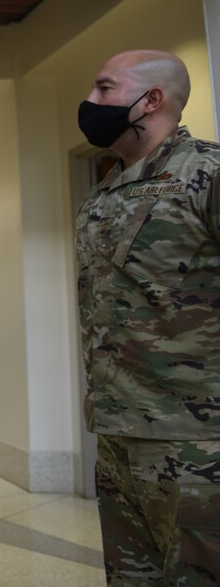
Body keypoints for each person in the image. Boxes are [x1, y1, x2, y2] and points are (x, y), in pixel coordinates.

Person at [75, 49, 220, 585]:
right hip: (118, 433)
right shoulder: (102, 193)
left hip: (197, 441)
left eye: (103, 88)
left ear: (151, 99)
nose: (89, 103)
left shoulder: (207, 174)